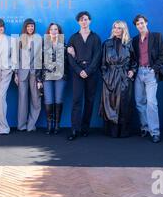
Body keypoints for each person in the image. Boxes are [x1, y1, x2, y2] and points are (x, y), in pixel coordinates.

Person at [67, 11, 102, 140]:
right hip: (77, 73)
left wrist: (88, 70)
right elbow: (69, 57)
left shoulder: (96, 38)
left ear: (90, 21)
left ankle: (85, 128)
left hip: (91, 73)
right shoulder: (73, 38)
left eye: (86, 19)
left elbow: (97, 56)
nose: (84, 21)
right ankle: (74, 130)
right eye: (81, 20)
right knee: (76, 100)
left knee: (89, 100)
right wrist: (78, 70)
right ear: (78, 22)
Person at [132, 14, 163, 143]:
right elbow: (133, 58)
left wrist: (154, 69)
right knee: (139, 102)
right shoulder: (135, 40)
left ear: (146, 22)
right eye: (137, 24)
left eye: (142, 23)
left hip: (151, 72)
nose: (140, 25)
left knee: (151, 102)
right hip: (139, 72)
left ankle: (155, 132)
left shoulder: (157, 36)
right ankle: (144, 128)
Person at [100, 21, 137, 138]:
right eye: (114, 27)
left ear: (123, 30)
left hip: (124, 78)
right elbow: (102, 64)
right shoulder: (107, 43)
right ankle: (112, 132)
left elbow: (134, 61)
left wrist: (132, 71)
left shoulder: (129, 43)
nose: (116, 30)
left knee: (124, 104)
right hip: (110, 78)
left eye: (119, 28)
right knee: (110, 104)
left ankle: (124, 132)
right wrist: (106, 76)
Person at [15, 18, 43, 132]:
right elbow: (16, 57)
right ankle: (21, 125)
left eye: (32, 26)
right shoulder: (20, 39)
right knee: (22, 100)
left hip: (35, 73)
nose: (30, 28)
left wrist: (40, 76)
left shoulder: (38, 38)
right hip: (22, 73)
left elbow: (41, 57)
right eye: (28, 26)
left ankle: (31, 125)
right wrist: (16, 74)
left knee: (36, 99)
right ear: (25, 27)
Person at [42, 23, 68, 134]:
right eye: (51, 29)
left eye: (56, 29)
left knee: (58, 100)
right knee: (48, 100)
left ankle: (57, 125)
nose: (53, 31)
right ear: (48, 32)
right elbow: (40, 63)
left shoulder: (64, 45)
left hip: (60, 76)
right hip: (47, 76)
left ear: (59, 31)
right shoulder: (43, 45)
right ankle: (49, 125)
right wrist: (39, 79)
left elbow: (66, 61)